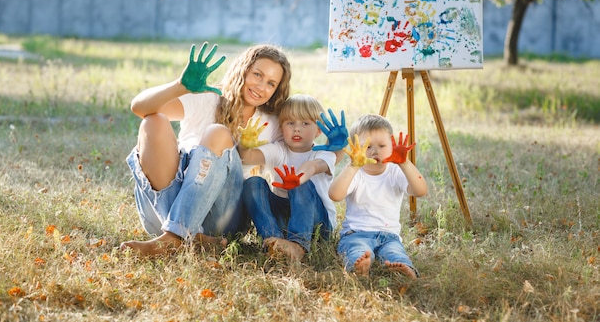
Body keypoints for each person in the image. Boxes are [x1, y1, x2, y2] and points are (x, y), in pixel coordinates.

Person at [120, 42, 291, 256]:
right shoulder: (208, 99)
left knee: (218, 133)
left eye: (271, 83)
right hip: (163, 212)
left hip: (222, 219)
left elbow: (300, 152)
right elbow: (140, 107)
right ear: (243, 70)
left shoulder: (271, 123)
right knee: (152, 121)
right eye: (257, 75)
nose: (261, 86)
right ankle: (189, 236)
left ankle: (175, 238)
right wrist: (180, 86)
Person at [237, 94, 346, 262]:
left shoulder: (323, 153)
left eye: (305, 123)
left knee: (301, 184)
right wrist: (244, 146)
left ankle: (298, 245)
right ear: (281, 128)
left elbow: (313, 166)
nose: (297, 129)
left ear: (318, 130)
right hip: (283, 220)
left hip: (317, 226)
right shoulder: (278, 150)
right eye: (290, 123)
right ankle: (273, 240)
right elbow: (247, 158)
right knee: (253, 183)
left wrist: (298, 179)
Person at [328, 114, 428, 278]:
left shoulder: (395, 171)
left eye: (382, 145)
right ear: (354, 149)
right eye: (367, 147)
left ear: (392, 145)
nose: (375, 151)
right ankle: (359, 266)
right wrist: (353, 166)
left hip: (389, 237)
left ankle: (404, 269)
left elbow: (421, 191)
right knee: (356, 250)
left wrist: (405, 163)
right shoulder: (356, 173)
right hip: (356, 234)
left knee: (394, 252)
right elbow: (335, 194)